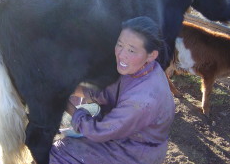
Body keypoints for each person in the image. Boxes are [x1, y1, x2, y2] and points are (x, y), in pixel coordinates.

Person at [49, 16, 175, 164]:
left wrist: (66, 105)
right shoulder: (143, 69)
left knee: (54, 155)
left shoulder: (143, 100)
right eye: (119, 44)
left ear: (151, 55)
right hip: (126, 137)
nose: (121, 54)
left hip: (133, 152)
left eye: (131, 50)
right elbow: (107, 91)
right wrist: (69, 89)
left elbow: (98, 132)